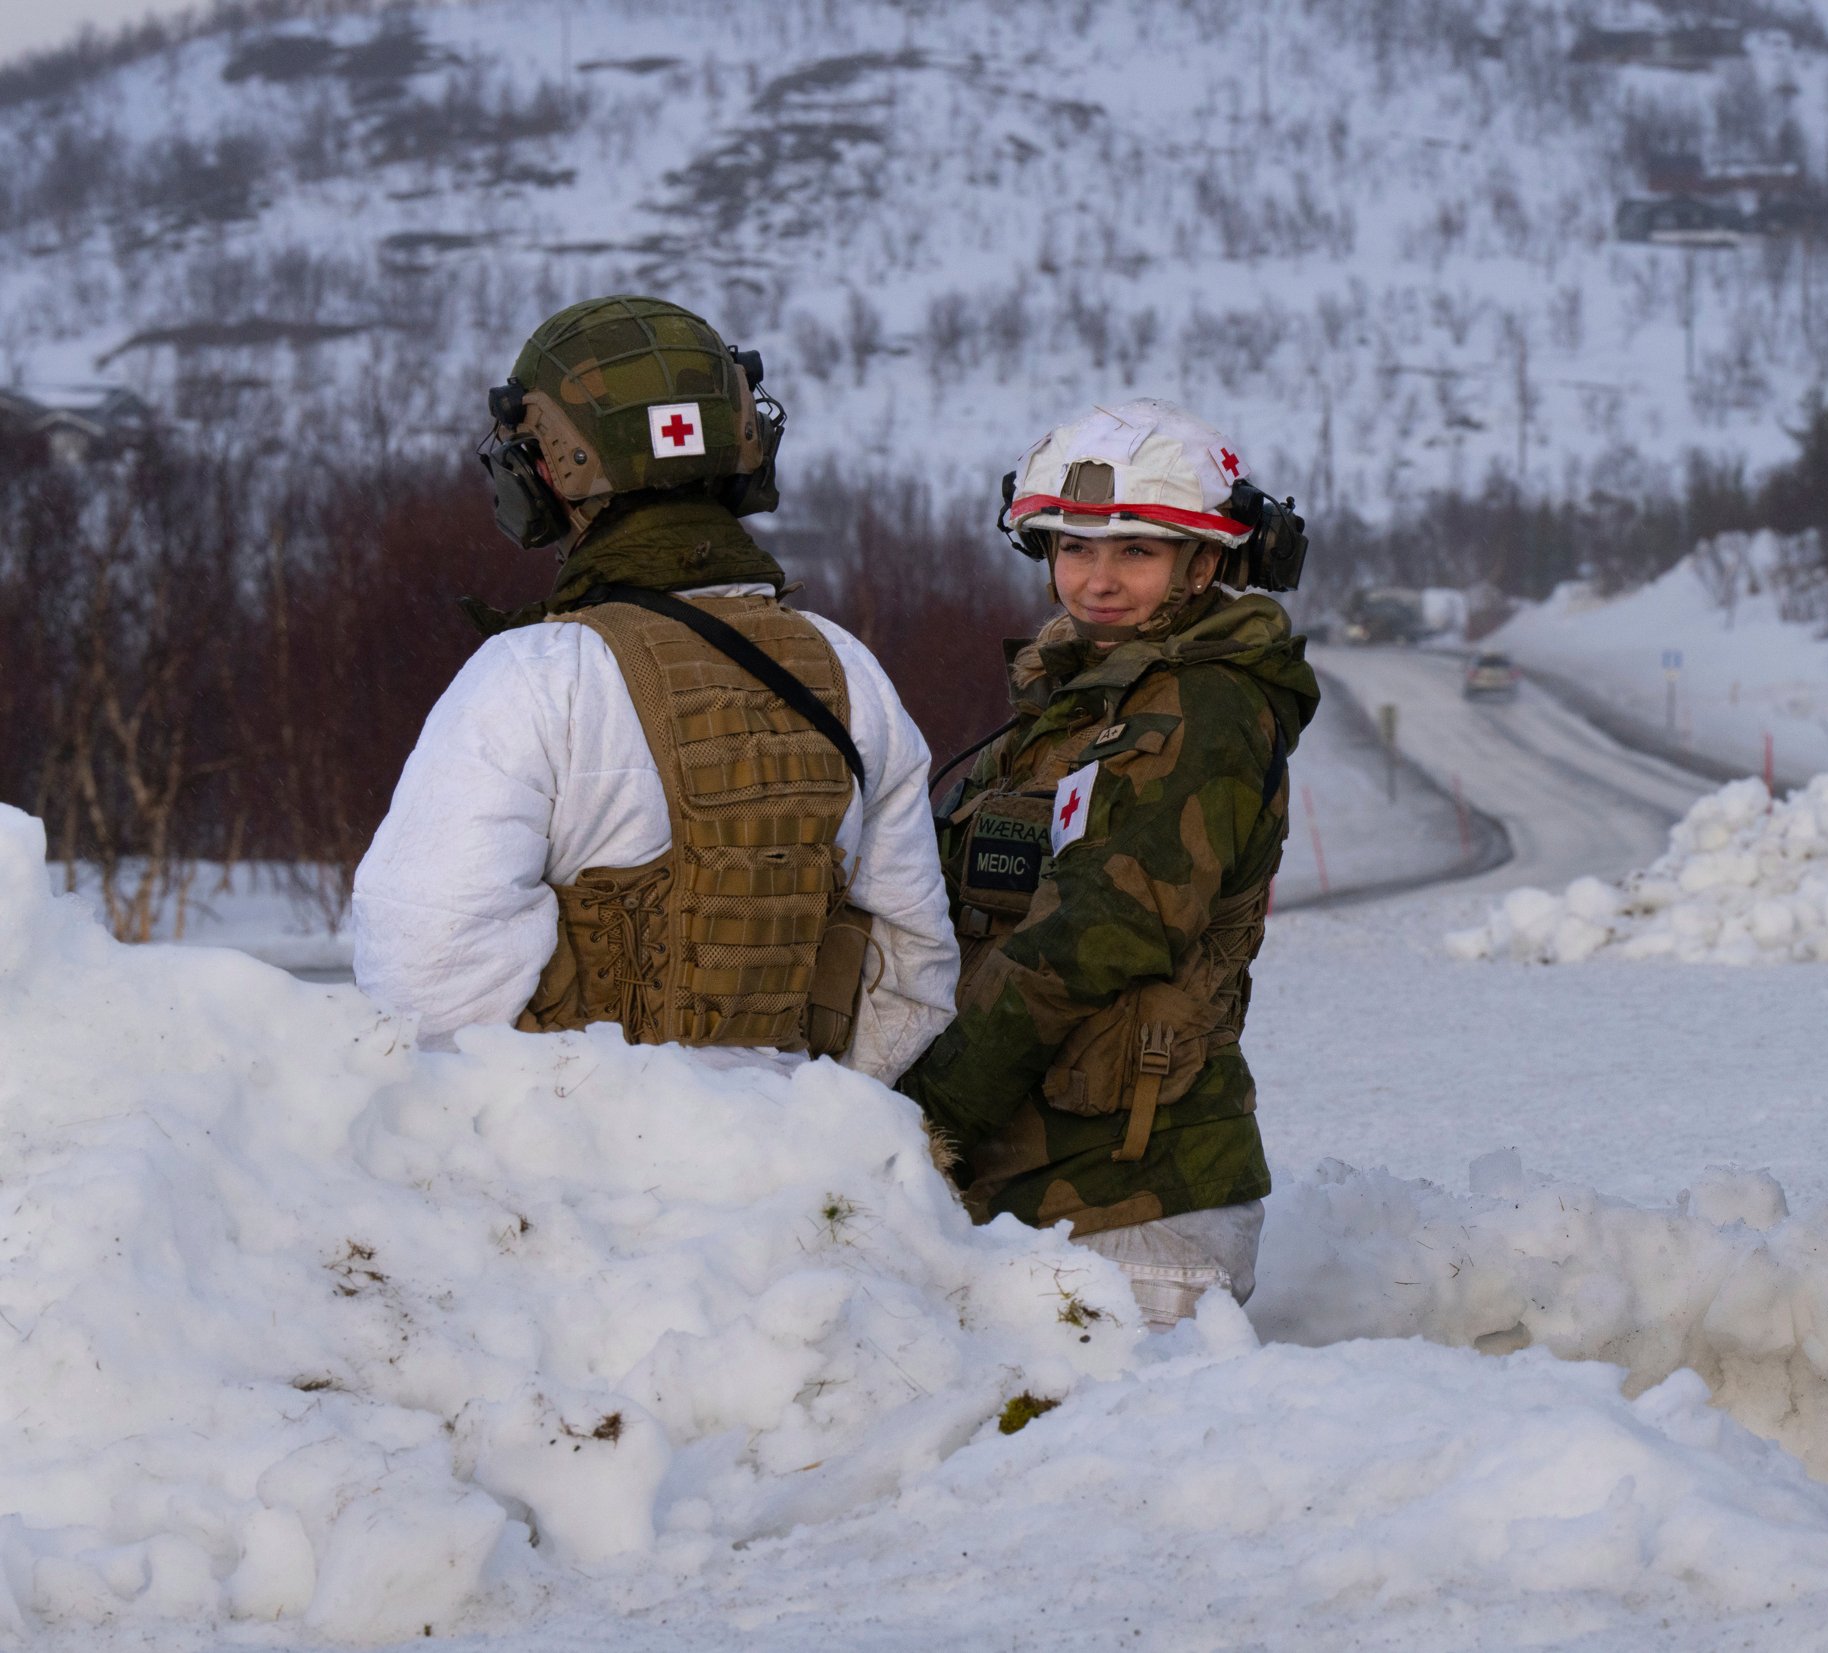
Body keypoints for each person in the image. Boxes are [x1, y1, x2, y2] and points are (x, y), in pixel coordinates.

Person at [354, 295, 956, 1078]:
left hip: (578, 1146)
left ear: (546, 470)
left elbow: (423, 968)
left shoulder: (530, 677)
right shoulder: (849, 668)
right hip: (795, 1141)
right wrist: (810, 1119)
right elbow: (913, 968)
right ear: (746, 443)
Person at [899, 399, 1318, 1329]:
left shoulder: (1200, 707)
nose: (1098, 580)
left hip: (1133, 1212)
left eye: (1136, 550)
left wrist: (925, 1115)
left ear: (1202, 562)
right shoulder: (1080, 703)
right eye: (1075, 547)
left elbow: (1098, 930)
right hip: (1051, 1196)